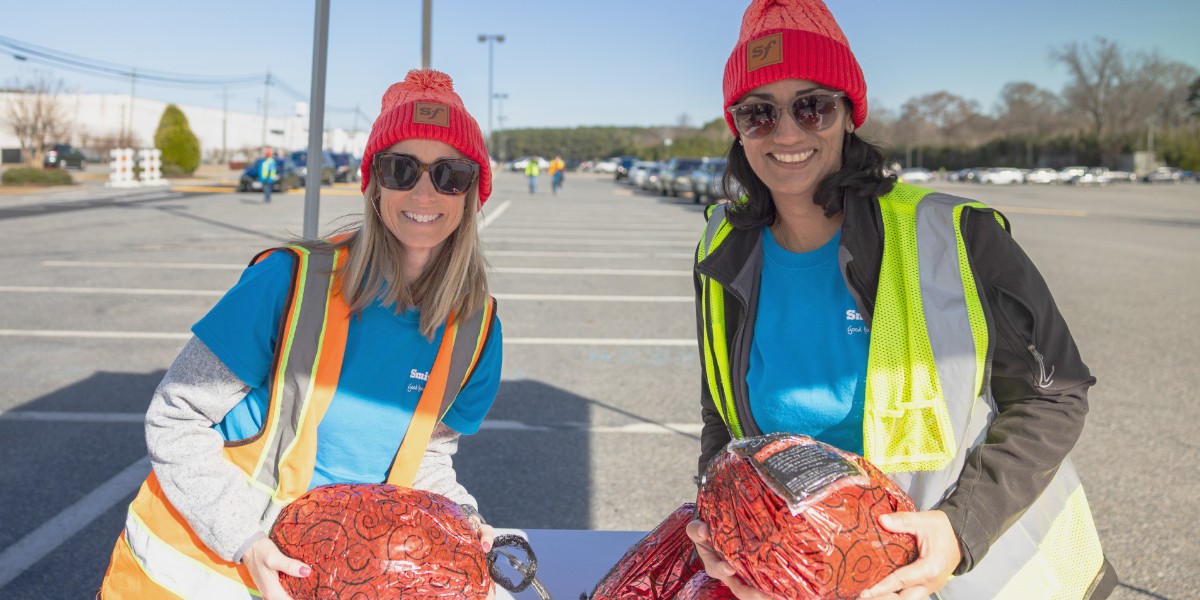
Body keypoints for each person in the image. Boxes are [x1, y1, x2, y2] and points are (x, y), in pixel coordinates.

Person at [685, 1, 1116, 599]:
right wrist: (721, 513)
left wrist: (960, 529)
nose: (786, 133)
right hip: (810, 579)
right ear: (738, 128)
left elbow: (1055, 395)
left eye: (812, 106)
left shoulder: (957, 236)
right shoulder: (723, 248)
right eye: (759, 113)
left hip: (971, 579)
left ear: (848, 114)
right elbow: (721, 415)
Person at [99, 69, 504, 600]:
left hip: (339, 576)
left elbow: (425, 458)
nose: (424, 191)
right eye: (401, 168)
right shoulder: (288, 282)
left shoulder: (476, 328)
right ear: (374, 182)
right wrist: (243, 538)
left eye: (450, 174)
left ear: (473, 192)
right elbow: (177, 416)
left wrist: (463, 522)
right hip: (200, 571)